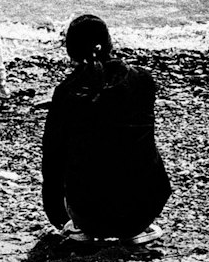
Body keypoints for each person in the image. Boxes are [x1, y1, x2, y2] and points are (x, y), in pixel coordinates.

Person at [40, 14, 170, 244]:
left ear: (70, 52)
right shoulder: (142, 80)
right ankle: (132, 223)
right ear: (110, 43)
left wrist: (58, 217)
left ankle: (88, 225)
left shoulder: (67, 91)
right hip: (144, 209)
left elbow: (52, 158)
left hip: (89, 215)